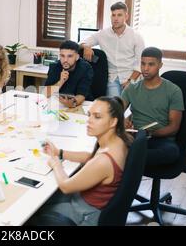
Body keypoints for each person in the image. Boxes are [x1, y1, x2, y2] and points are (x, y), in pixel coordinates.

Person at [29, 96, 132, 226]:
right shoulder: (118, 141)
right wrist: (59, 152)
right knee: (43, 197)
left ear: (113, 122)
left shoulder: (104, 161)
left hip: (83, 215)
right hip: (89, 205)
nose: (89, 121)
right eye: (89, 115)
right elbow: (91, 157)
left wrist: (56, 163)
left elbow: (66, 186)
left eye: (97, 117)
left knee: (32, 208)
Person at [122, 47, 184, 166]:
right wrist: (121, 120)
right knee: (102, 142)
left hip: (159, 139)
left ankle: (127, 157)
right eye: (143, 64)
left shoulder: (174, 91)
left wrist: (150, 133)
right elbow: (115, 111)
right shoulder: (131, 88)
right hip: (134, 136)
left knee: (171, 152)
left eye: (151, 64)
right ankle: (131, 157)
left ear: (160, 65)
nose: (145, 68)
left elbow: (174, 127)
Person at [80, 2, 145, 97]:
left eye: (119, 15)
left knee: (133, 109)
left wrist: (130, 81)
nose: (116, 18)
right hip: (112, 79)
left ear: (126, 16)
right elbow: (82, 41)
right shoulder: (103, 34)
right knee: (113, 108)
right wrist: (86, 47)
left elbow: (140, 63)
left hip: (131, 77)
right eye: (113, 15)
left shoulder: (136, 36)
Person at [44, 40, 93, 108]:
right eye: (62, 56)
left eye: (70, 56)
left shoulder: (85, 68)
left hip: (80, 105)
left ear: (77, 57)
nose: (65, 60)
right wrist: (60, 82)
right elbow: (46, 93)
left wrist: (73, 103)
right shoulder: (55, 66)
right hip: (59, 104)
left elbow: (81, 95)